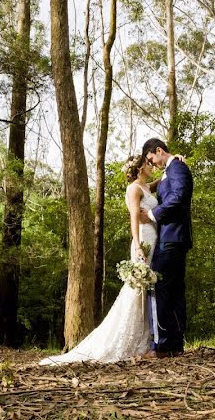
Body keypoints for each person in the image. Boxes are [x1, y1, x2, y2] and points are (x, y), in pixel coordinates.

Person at [39, 154, 157, 365]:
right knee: (135, 291)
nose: (152, 166)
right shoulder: (134, 189)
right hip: (143, 242)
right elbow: (133, 219)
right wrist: (138, 245)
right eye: (148, 163)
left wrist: (173, 162)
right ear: (140, 168)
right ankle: (125, 341)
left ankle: (146, 339)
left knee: (146, 290)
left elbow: (159, 183)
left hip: (154, 239)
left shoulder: (146, 187)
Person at [140, 137, 193, 358]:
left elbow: (179, 197)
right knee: (174, 292)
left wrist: (152, 215)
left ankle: (160, 347)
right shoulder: (170, 170)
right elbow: (158, 189)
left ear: (159, 150)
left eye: (152, 158)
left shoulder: (177, 167)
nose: (153, 164)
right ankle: (174, 345)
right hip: (173, 239)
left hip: (172, 238)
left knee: (158, 288)